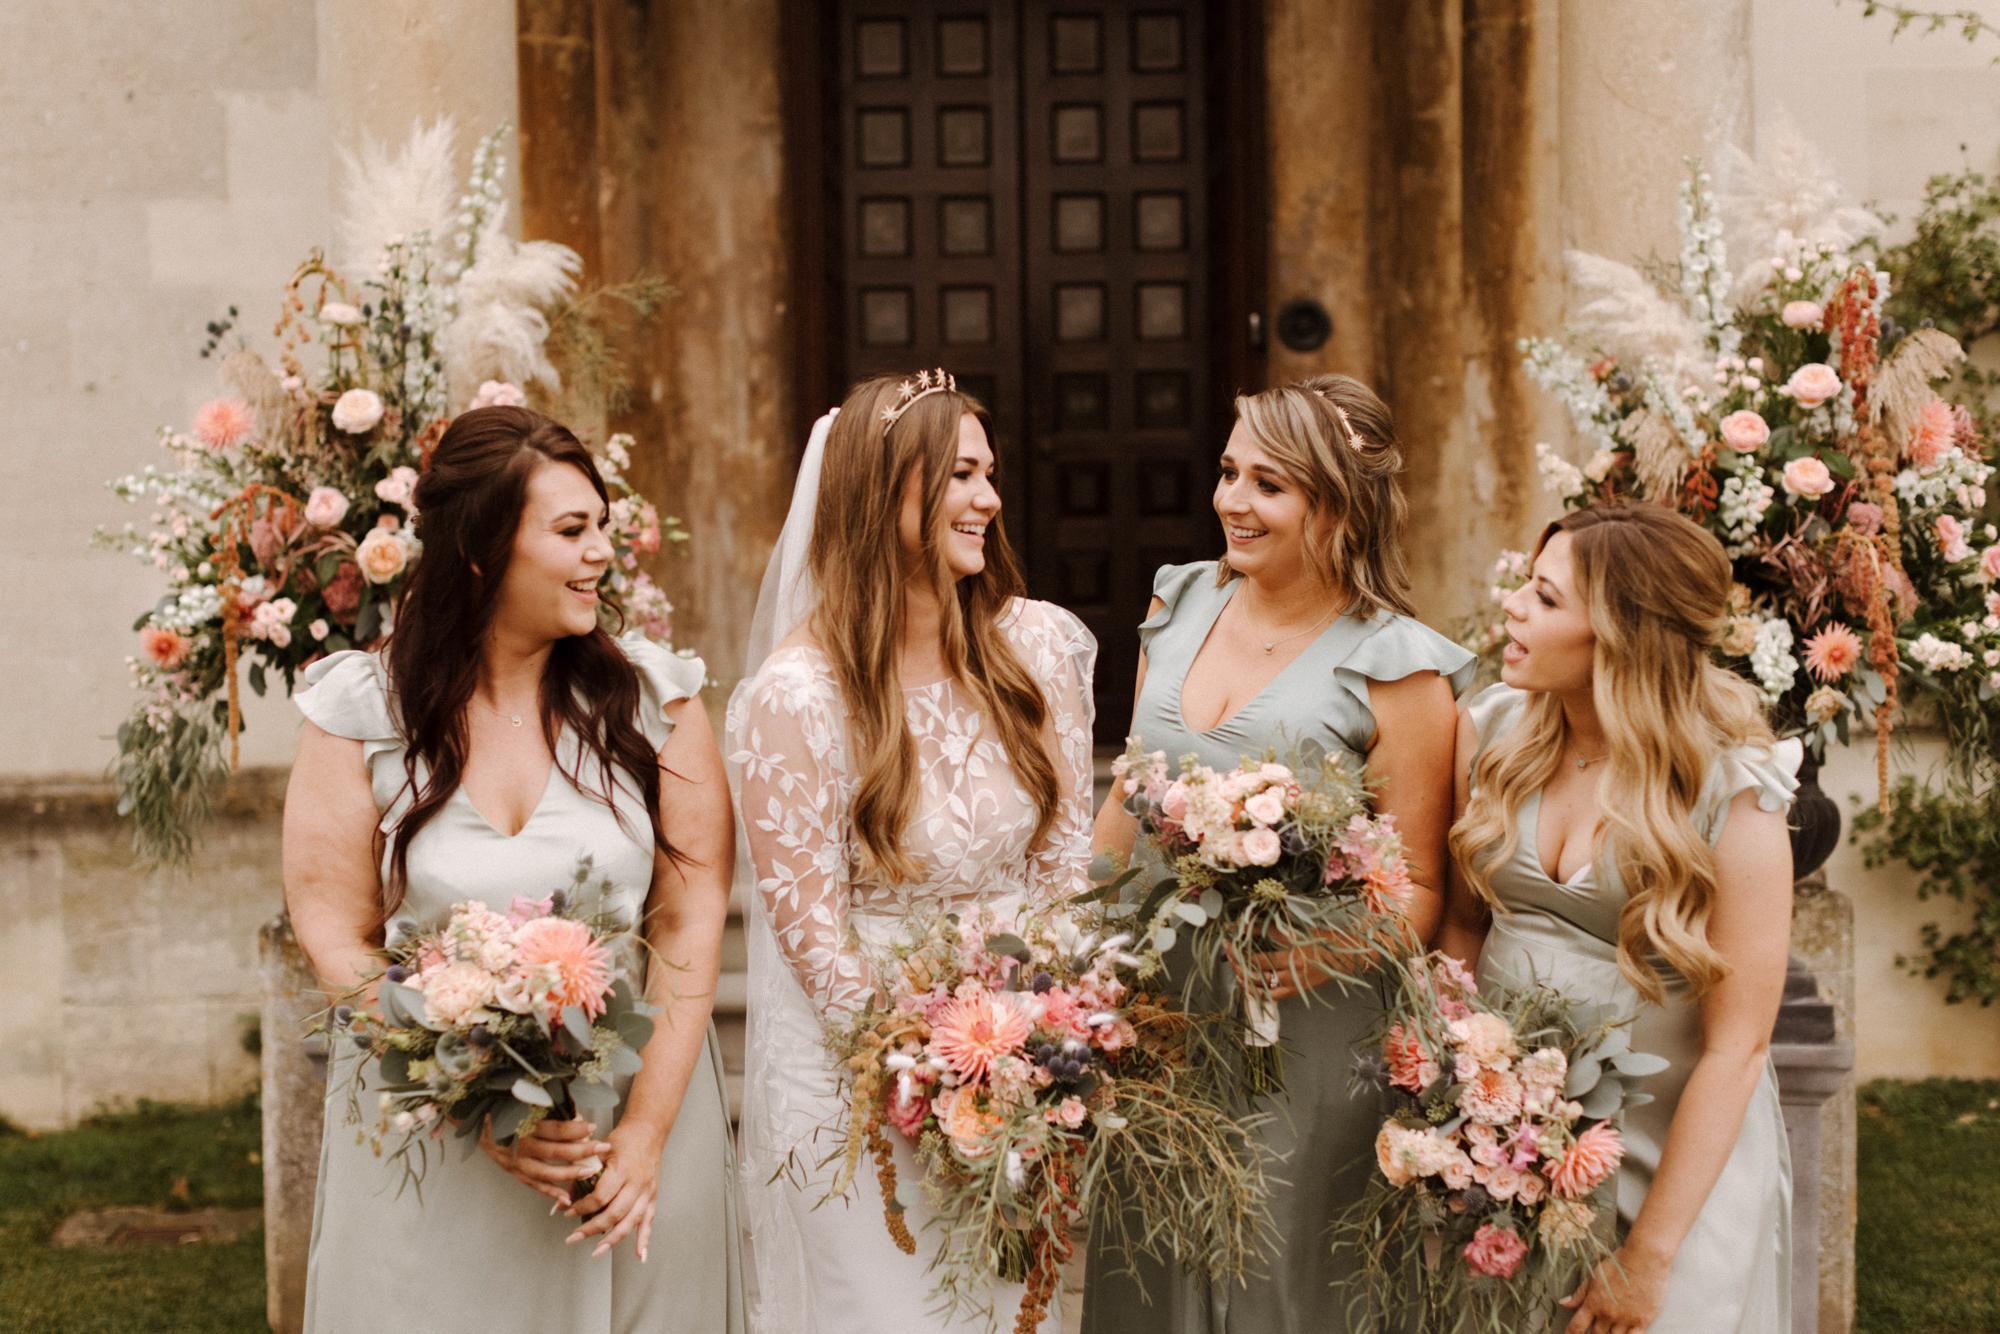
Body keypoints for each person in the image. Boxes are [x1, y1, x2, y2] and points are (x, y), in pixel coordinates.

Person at [283, 406, 743, 1334]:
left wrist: (646, 1136)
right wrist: (471, 1088)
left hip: (624, 1132)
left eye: (603, 528)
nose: (600, 554)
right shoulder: (359, 711)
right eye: (571, 531)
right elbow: (335, 931)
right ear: (484, 548)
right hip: (431, 1142)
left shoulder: (658, 705)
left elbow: (692, 924)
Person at [1082, 376, 1474, 1333]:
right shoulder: (1176, 604)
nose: (1231, 502)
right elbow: (1131, 793)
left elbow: (1423, 883)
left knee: (1277, 1277)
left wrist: (1319, 956)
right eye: (1228, 472)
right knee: (1143, 1256)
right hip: (1160, 1005)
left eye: (1269, 484)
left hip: (1302, 1022)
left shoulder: (1400, 670)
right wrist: (1073, 951)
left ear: (1338, 505)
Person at [726, 372, 1097, 1334]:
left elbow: (1063, 872)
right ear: (882, 493)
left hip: (1021, 1058)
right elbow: (810, 935)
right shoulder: (797, 697)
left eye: (990, 473)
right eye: (961, 476)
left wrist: (1040, 1048)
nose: (991, 500)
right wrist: (925, 1082)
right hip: (858, 1080)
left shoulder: (1038, 650)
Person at [1436, 502, 1796, 1334]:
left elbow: (1739, 1046)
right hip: (1508, 1140)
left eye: (1547, 599)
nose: (1514, 609)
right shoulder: (1490, 731)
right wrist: (1454, 1085)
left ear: (1625, 636)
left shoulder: (1733, 791)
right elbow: (1460, 924)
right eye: (1527, 585)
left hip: (1667, 1152)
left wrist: (1650, 1254)